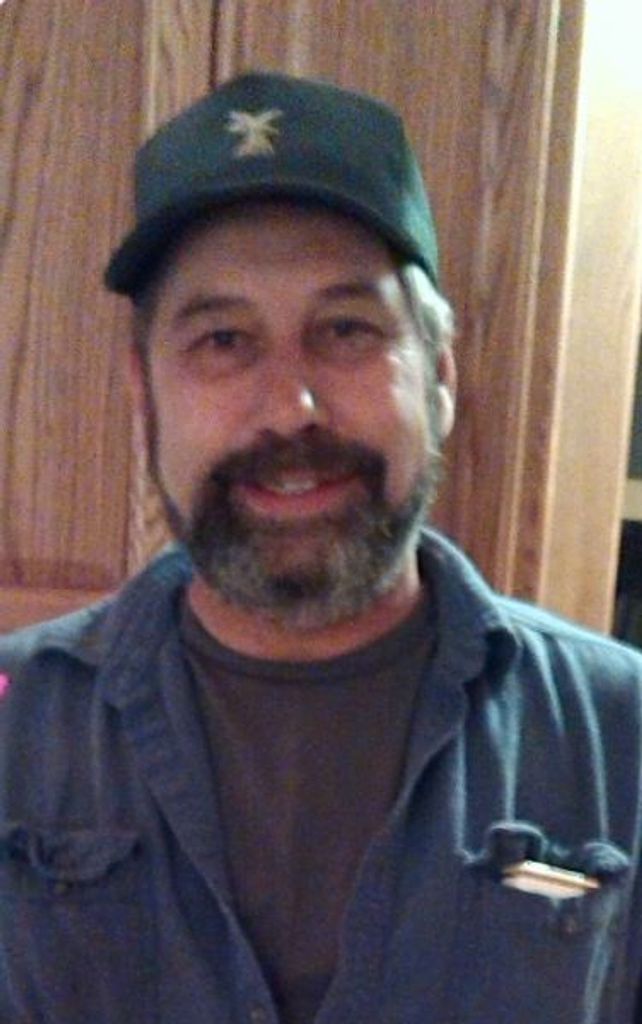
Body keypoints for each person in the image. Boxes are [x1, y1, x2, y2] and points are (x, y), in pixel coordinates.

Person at [0, 71, 641, 1024]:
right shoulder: (16, 726)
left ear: (440, 378)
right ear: (144, 394)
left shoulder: (622, 735)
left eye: (346, 330)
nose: (290, 407)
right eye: (223, 340)